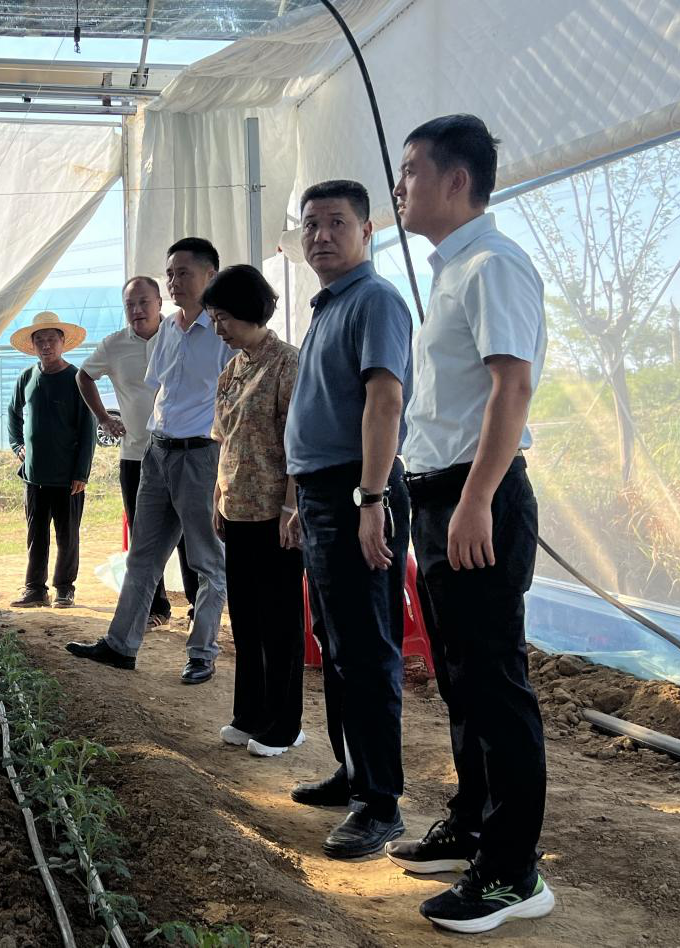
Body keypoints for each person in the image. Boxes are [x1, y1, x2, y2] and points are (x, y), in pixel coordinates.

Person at [385, 114, 553, 934]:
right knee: (459, 675)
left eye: (411, 171)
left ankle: (514, 871)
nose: (399, 187)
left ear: (457, 180)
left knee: (492, 678)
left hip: (472, 496)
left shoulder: (493, 265)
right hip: (438, 496)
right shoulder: (454, 272)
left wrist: (478, 499)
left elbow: (510, 388)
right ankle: (474, 822)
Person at [283, 179, 413, 859]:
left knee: (365, 648)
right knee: (335, 642)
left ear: (367, 231)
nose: (321, 235)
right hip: (323, 496)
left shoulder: (375, 300)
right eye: (311, 224)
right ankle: (353, 771)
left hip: (356, 493)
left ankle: (380, 804)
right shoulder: (329, 305)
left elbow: (384, 403)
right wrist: (299, 504)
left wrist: (370, 501)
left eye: (337, 222)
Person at [67, 237, 231, 685]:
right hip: (157, 453)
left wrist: (224, 466)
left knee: (206, 560)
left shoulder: (224, 333)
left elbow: (236, 399)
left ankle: (202, 652)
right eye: (171, 273)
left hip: (200, 456)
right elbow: (160, 390)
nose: (175, 281)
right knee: (142, 555)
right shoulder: (169, 331)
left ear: (210, 276)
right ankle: (121, 645)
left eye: (183, 273)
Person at [204, 265, 306, 758]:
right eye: (213, 319)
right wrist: (217, 497)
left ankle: (284, 724)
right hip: (237, 508)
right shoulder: (234, 368)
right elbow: (223, 439)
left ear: (249, 311)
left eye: (222, 318)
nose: (218, 328)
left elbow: (298, 442)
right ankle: (250, 713)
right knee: (245, 618)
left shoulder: (287, 363)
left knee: (278, 619)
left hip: (274, 512)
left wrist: (291, 506)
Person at [77, 276, 195, 632]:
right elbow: (84, 376)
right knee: (144, 535)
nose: (137, 310)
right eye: (130, 304)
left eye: (144, 302)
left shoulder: (181, 334)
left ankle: (197, 605)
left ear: (160, 303)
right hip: (135, 456)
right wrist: (104, 418)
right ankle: (156, 607)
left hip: (182, 451)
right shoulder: (114, 345)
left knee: (190, 532)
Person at [7, 311, 96, 608]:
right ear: (33, 345)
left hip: (68, 475)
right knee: (36, 533)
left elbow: (88, 428)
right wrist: (17, 445)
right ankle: (35, 588)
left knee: (67, 535)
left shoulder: (76, 379)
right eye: (40, 341)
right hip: (34, 474)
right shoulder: (27, 377)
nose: (46, 345)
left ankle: (64, 587)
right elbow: (13, 412)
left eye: (51, 340)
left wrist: (81, 472)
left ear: (62, 342)